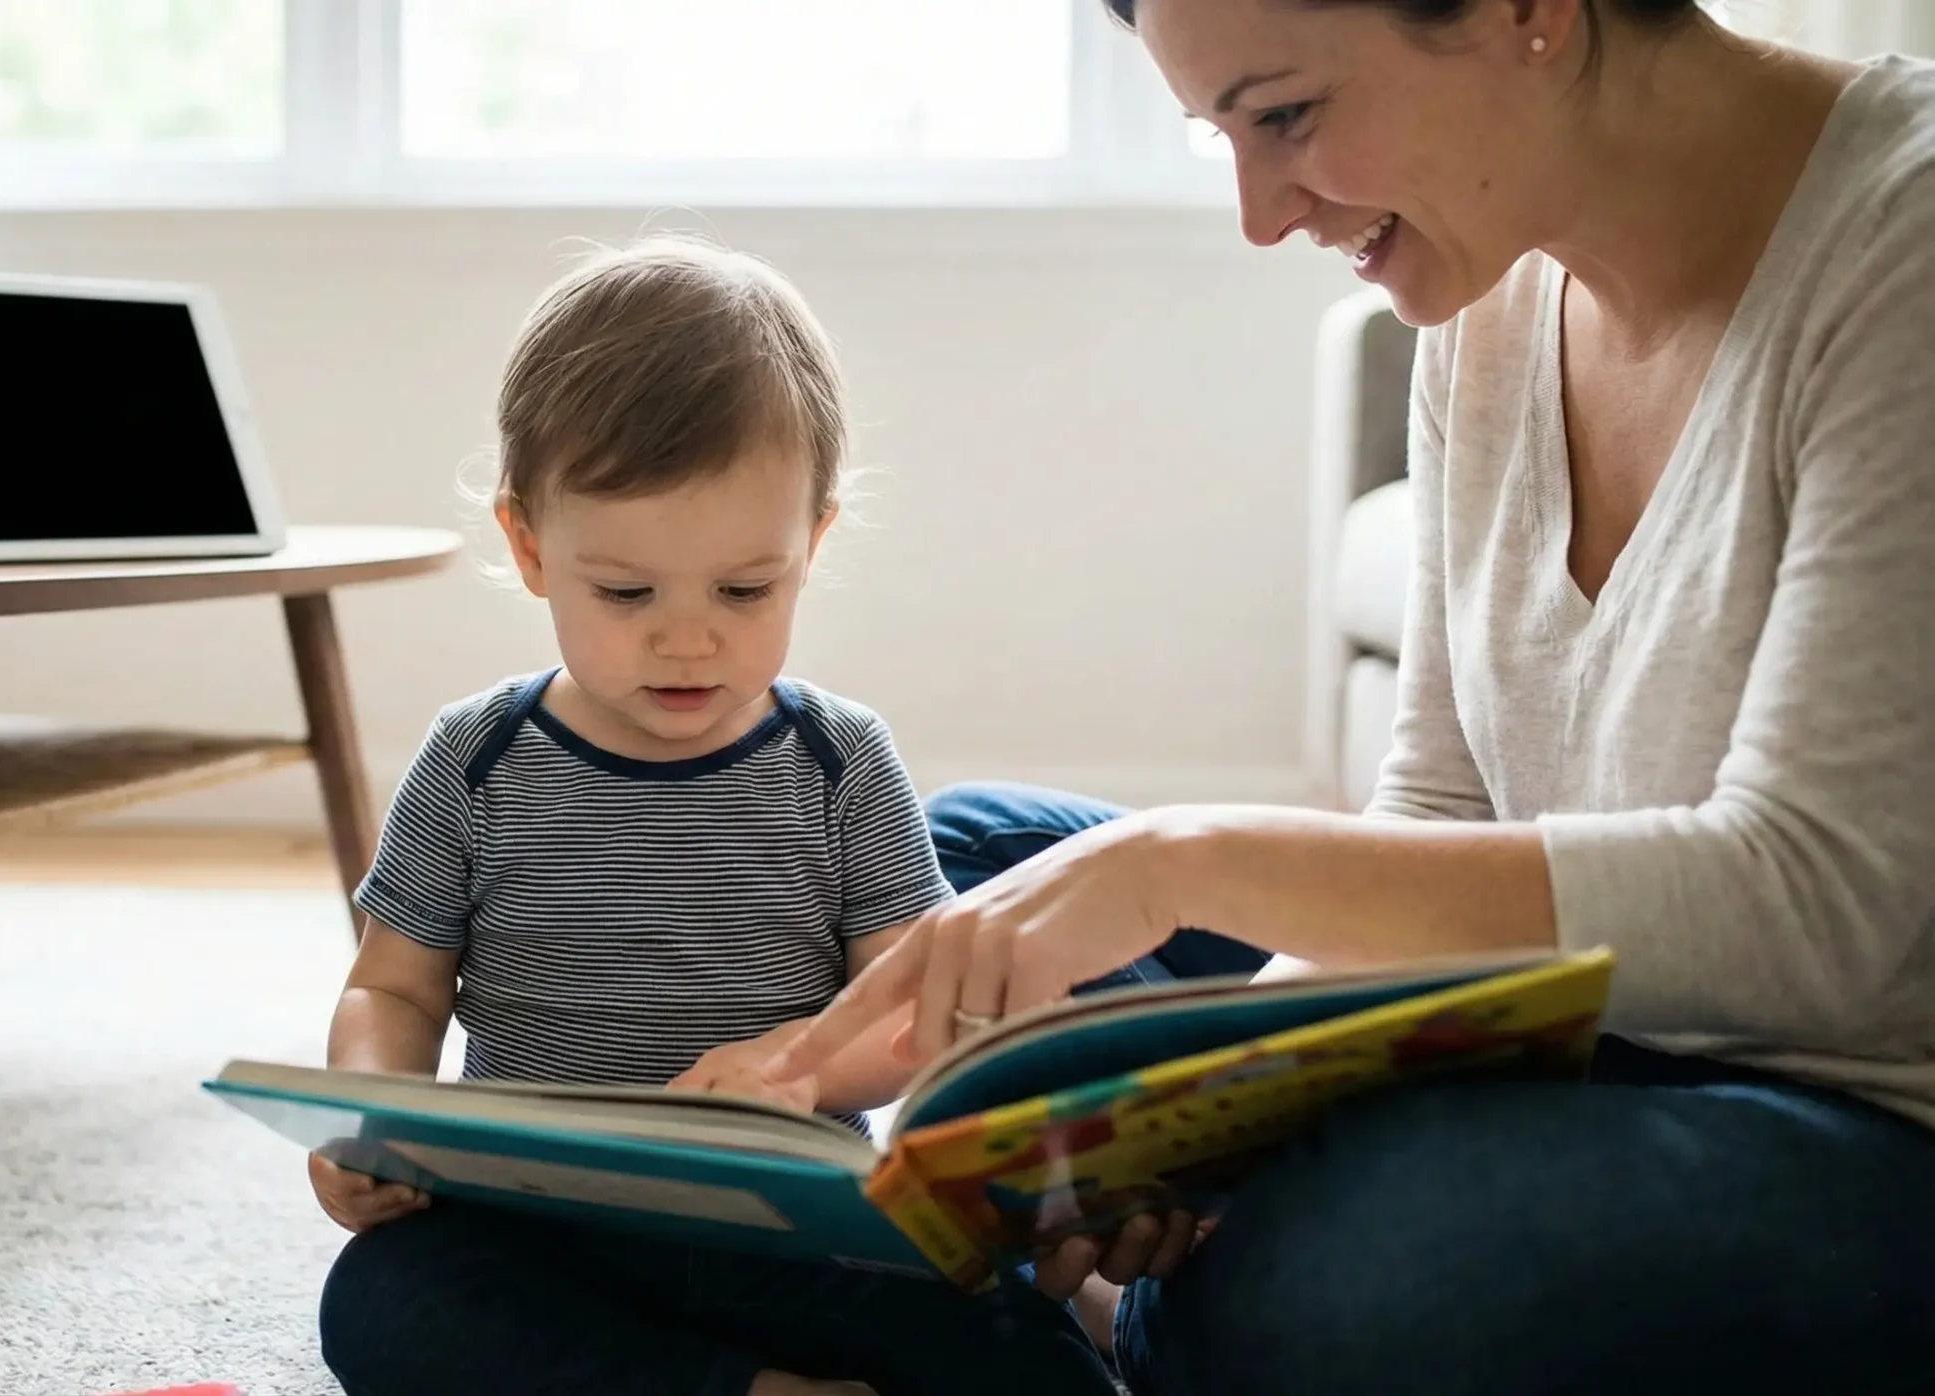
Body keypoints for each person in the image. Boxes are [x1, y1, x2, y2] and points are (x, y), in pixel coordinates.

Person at [763, 3, 1935, 1393]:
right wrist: (1199, 1110)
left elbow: (1821, 912)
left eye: (1287, 117)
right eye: (1224, 139)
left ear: (1530, 12)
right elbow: (1441, 806)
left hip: (1848, 1118)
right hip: (1547, 1038)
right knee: (970, 862)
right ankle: (1144, 1299)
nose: (1262, 216)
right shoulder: (1492, 292)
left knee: (1375, 1270)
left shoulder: (1900, 244)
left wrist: (1186, 861)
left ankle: (1079, 1328)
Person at [306, 235, 1105, 1396]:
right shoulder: (475, 758)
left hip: (792, 1221)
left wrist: (800, 1070)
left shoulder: (837, 761)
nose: (689, 638)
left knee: (1017, 1345)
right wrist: (367, 1117)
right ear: (529, 547)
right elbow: (392, 985)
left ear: (811, 544)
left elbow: (912, 1009)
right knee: (384, 1304)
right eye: (625, 592)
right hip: (539, 1225)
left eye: (745, 590)